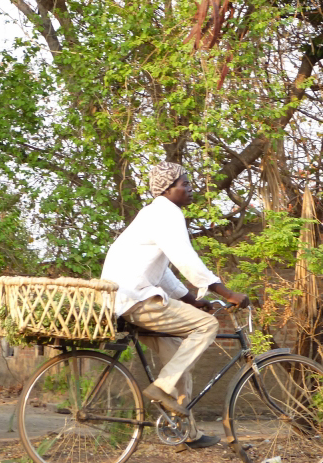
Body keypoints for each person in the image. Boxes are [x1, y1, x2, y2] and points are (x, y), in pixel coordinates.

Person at [101, 162, 249, 448]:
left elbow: (162, 271)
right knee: (207, 325)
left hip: (126, 299)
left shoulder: (153, 213)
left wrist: (192, 300)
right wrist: (227, 292)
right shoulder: (167, 213)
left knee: (176, 355)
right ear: (167, 189)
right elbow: (185, 259)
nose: (190, 189)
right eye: (185, 184)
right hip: (136, 299)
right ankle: (161, 387)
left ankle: (184, 432)